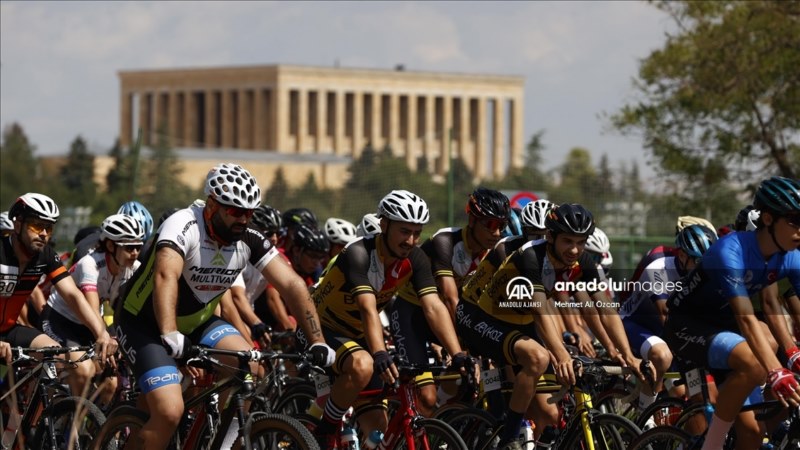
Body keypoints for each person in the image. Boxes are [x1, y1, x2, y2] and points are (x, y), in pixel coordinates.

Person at [114, 163, 334, 450]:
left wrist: (317, 341)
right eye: (235, 211)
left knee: (253, 367)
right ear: (212, 205)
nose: (243, 219)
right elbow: (165, 275)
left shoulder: (249, 238)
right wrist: (168, 332)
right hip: (145, 323)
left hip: (196, 322)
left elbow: (292, 285)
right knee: (168, 413)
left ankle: (223, 444)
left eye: (250, 212)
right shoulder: (183, 224)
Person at [302, 190, 457, 448]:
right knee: (364, 364)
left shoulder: (415, 259)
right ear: (383, 224)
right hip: (320, 328)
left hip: (355, 333)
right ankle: (324, 430)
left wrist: (458, 353)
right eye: (404, 231)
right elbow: (367, 308)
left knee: (378, 430)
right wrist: (379, 353)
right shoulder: (358, 252)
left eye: (417, 233)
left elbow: (434, 307)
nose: (411, 240)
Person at [664, 176, 800, 450]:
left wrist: (793, 354)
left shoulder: (789, 255)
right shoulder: (730, 250)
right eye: (794, 221)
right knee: (755, 363)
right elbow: (746, 318)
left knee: (751, 434)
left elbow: (775, 305)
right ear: (769, 219)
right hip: (687, 325)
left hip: (724, 330)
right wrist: (776, 370)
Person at [392, 187, 509, 414]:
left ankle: (445, 424)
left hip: (448, 316)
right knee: (426, 397)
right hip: (413, 315)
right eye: (491, 225)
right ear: (472, 220)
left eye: (501, 226)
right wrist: (465, 346)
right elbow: (449, 298)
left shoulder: (492, 252)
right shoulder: (444, 242)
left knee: (473, 379)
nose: (496, 233)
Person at [0, 193, 117, 369]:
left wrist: (101, 332)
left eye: (49, 228)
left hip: (9, 330)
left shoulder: (45, 256)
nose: (44, 234)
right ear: (18, 224)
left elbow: (72, 294)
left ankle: (34, 395)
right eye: (37, 226)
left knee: (55, 354)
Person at [42, 213, 144, 406]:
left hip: (87, 325)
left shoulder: (133, 268)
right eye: (129, 247)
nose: (135, 253)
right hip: (59, 320)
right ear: (111, 246)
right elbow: (92, 306)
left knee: (110, 383)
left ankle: (88, 430)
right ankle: (66, 422)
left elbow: (127, 311)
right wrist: (106, 337)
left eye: (139, 247)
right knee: (84, 369)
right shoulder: (90, 264)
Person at [620, 224, 716, 416]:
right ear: (682, 256)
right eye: (697, 261)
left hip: (668, 331)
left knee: (696, 397)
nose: (702, 268)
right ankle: (643, 418)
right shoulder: (658, 269)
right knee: (662, 356)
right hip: (635, 323)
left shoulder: (702, 275)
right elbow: (665, 316)